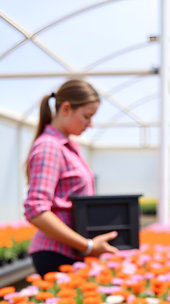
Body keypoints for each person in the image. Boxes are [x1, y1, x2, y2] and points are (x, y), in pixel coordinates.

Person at [24, 79, 118, 277]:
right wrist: (88, 245)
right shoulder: (49, 146)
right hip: (56, 254)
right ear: (66, 108)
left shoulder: (68, 146)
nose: (90, 124)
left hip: (70, 251)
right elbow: (36, 209)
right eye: (86, 116)